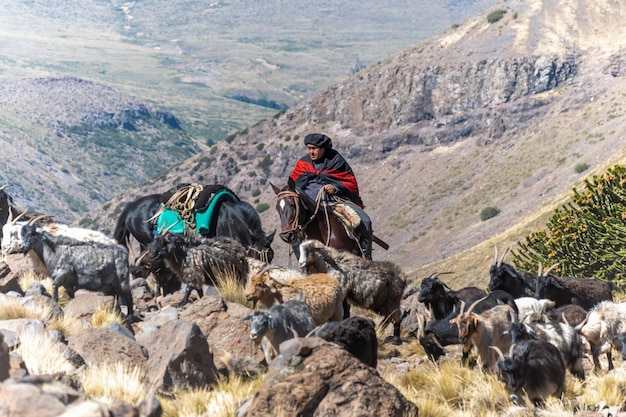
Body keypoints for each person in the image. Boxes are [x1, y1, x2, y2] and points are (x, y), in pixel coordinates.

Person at [289, 133, 373, 260]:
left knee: (365, 221)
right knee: (292, 229)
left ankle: (366, 258)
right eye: (309, 148)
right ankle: (302, 261)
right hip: (309, 206)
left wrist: (335, 187)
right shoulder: (303, 164)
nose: (311, 152)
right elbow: (294, 185)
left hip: (335, 202)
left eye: (314, 148)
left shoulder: (336, 160)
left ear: (323, 148)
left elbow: (349, 181)